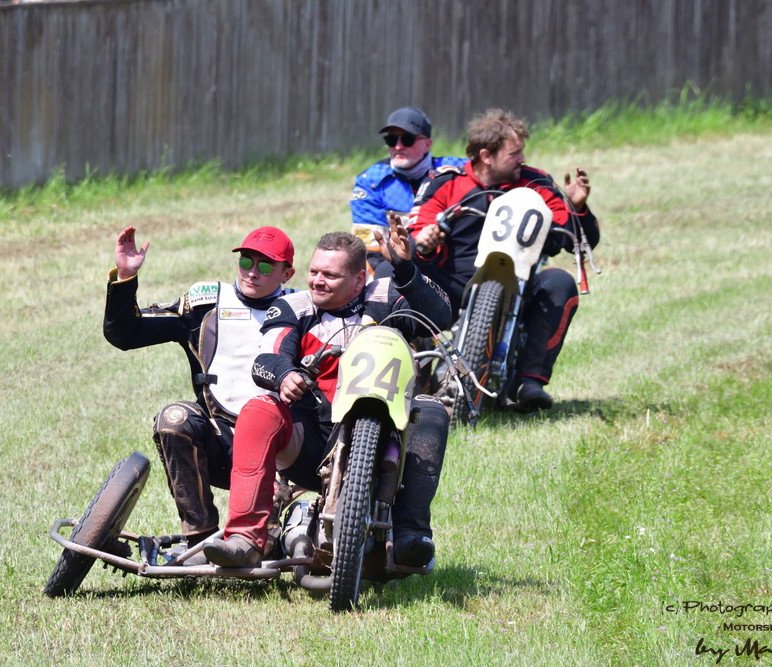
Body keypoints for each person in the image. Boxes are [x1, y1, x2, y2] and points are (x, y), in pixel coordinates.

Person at [203, 223, 453, 570]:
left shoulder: (386, 295)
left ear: (357, 280)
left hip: (386, 430)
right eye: (314, 272)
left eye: (330, 276)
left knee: (432, 411)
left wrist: (406, 269)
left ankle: (411, 534)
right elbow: (266, 358)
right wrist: (284, 375)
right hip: (314, 437)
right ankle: (245, 538)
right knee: (260, 408)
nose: (317, 281)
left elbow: (440, 318)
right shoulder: (294, 306)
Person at [103, 224, 296, 559]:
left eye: (265, 266)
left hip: (281, 446)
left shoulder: (303, 308)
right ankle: (200, 537)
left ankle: (282, 531)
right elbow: (127, 334)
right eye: (246, 261)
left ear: (287, 272)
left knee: (270, 548)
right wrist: (125, 277)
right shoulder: (204, 302)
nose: (253, 272)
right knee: (173, 418)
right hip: (220, 438)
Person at [407, 108, 600, 411]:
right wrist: (426, 240)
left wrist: (576, 208)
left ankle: (529, 381)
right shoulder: (446, 182)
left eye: (522, 152)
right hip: (453, 286)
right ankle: (413, 376)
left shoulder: (536, 182)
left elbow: (571, 235)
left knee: (560, 283)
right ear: (486, 156)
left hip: (520, 283)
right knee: (398, 277)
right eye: (514, 154)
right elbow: (417, 231)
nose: (522, 160)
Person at [350, 106, 466, 276]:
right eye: (391, 140)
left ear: (428, 144)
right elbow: (370, 250)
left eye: (407, 139)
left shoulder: (455, 170)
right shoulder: (370, 182)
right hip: (398, 267)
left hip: (452, 262)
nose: (398, 146)